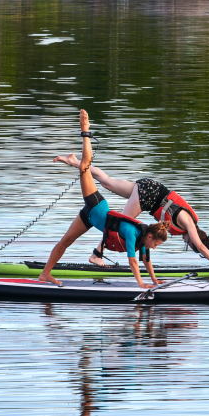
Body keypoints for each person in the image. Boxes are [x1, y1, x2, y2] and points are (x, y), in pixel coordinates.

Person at [39, 110, 170, 288]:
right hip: (96, 206)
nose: (154, 247)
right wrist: (141, 284)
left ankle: (45, 274)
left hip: (90, 217)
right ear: (149, 236)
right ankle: (85, 131)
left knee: (66, 241)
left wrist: (154, 280)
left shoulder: (144, 238)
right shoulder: (133, 233)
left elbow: (146, 260)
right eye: (155, 244)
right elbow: (133, 262)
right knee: (84, 167)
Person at [53, 156, 209, 269]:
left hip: (148, 187)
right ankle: (97, 255)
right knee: (118, 223)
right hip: (148, 196)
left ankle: (74, 161)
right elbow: (202, 246)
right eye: (189, 243)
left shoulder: (191, 226)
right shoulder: (188, 223)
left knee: (107, 182)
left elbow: (205, 246)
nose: (186, 241)